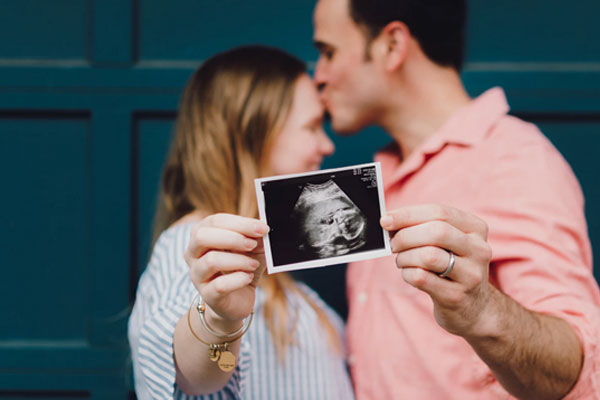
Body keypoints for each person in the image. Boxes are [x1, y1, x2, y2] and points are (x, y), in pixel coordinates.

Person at [312, 0, 600, 398]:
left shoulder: (513, 160)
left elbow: (577, 368)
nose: (318, 76)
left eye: (328, 52)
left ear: (392, 45)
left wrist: (480, 310)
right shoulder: (381, 176)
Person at [128, 45, 355, 399]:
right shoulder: (196, 248)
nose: (327, 145)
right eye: (311, 127)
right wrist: (220, 322)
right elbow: (196, 376)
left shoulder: (275, 272)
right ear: (253, 134)